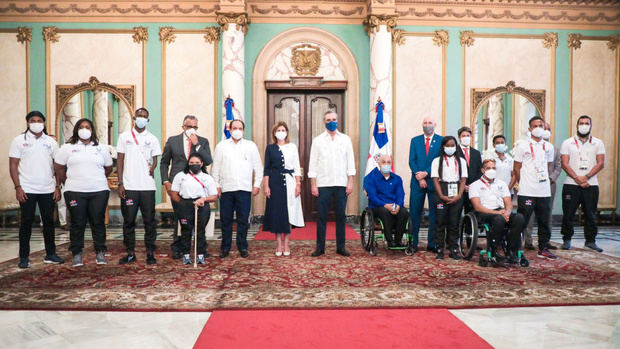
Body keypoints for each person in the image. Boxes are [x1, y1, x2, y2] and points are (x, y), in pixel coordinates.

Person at [54, 118, 113, 267]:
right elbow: (59, 167)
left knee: (98, 222)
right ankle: (77, 253)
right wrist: (68, 181)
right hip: (74, 191)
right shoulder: (67, 148)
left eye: (88, 127)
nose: (84, 129)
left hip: (98, 191)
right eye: (81, 127)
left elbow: (108, 168)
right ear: (76, 130)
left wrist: (95, 178)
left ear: (92, 130)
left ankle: (100, 251)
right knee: (77, 223)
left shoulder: (100, 148)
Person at [9, 111, 64, 268]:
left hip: (47, 188)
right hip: (26, 188)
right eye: (33, 120)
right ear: (27, 123)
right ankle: (24, 257)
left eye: (39, 120)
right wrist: (18, 187)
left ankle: (51, 254)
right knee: (26, 222)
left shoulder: (51, 142)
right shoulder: (19, 141)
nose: (36, 123)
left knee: (49, 222)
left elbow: (57, 166)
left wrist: (57, 186)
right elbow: (13, 165)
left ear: (44, 123)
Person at [160, 115, 213, 259]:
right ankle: (179, 247)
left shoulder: (203, 141)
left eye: (195, 127)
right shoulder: (172, 141)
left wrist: (197, 144)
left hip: (197, 188)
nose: (192, 129)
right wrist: (166, 181)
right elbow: (164, 163)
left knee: (200, 219)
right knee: (180, 218)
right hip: (177, 186)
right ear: (183, 127)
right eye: (190, 127)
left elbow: (208, 161)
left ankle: (200, 248)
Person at [116, 108, 162, 265]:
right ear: (134, 118)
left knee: (149, 221)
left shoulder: (153, 138)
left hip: (147, 187)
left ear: (148, 120)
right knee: (128, 221)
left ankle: (150, 252)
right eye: (139, 116)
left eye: (145, 117)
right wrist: (120, 182)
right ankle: (130, 252)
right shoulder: (124, 137)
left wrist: (152, 168)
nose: (141, 119)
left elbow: (155, 159)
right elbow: (120, 160)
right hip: (129, 186)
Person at [211, 119, 263, 258]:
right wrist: (216, 185)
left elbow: (258, 167)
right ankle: (225, 248)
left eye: (240, 128)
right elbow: (215, 168)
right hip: (226, 189)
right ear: (229, 129)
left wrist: (257, 184)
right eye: (235, 128)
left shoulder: (250, 146)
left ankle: (242, 246)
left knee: (243, 220)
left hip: (244, 189)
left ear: (243, 130)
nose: (237, 130)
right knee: (226, 220)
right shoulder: (221, 146)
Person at [308, 110, 356, 257]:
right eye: (328, 119)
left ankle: (341, 247)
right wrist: (313, 184)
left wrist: (350, 182)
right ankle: (320, 247)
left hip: (341, 184)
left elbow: (350, 162)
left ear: (338, 120)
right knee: (322, 216)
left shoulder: (346, 139)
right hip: (323, 184)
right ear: (324, 122)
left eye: (334, 119)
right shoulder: (317, 141)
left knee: (341, 216)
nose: (331, 122)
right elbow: (313, 164)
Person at [560, 115, 606, 252]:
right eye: (581, 123)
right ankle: (567, 240)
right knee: (568, 213)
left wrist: (586, 177)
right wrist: (577, 178)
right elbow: (564, 163)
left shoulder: (598, 143)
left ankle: (590, 241)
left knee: (590, 214)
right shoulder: (567, 142)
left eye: (587, 123)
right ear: (577, 125)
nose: (584, 125)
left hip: (591, 185)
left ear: (591, 126)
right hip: (571, 184)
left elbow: (601, 163)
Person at [513, 116, 557, 260]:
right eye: (535, 126)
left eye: (541, 126)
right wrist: (523, 182)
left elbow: (548, 166)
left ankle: (543, 248)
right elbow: (517, 168)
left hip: (543, 191)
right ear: (530, 129)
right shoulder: (522, 146)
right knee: (522, 221)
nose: (538, 128)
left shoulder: (549, 147)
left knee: (544, 221)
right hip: (527, 191)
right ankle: (515, 248)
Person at [469, 159, 526, 266]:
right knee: (498, 219)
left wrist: (507, 212)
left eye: (494, 168)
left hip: (501, 211)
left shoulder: (502, 184)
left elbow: (508, 203)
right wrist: (498, 213)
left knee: (519, 218)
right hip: (484, 212)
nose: (491, 170)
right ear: (482, 170)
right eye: (488, 168)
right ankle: (494, 251)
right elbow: (477, 207)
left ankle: (511, 250)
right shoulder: (475, 185)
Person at [262, 121, 304, 256]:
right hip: (275, 183)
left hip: (290, 183)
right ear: (274, 133)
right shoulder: (270, 148)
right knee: (277, 214)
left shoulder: (292, 147)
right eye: (278, 130)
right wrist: (266, 185)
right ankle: (278, 244)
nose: (281, 132)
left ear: (287, 132)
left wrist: (298, 184)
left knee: (288, 213)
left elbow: (297, 167)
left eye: (283, 130)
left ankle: (287, 244)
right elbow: (266, 169)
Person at [169, 152, 218, 265]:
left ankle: (200, 254)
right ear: (188, 163)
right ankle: (186, 254)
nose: (194, 164)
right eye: (191, 163)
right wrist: (183, 204)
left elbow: (214, 196)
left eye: (196, 163)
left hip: (201, 205)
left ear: (201, 164)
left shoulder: (207, 178)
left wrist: (203, 199)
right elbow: (174, 193)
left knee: (200, 231)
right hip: (185, 206)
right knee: (185, 230)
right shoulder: (180, 176)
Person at [523, 122, 561, 250]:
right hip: (529, 185)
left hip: (548, 185)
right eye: (539, 127)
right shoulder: (525, 145)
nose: (544, 130)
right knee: (529, 215)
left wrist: (550, 179)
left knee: (546, 214)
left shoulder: (552, 148)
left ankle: (545, 241)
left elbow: (556, 166)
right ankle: (528, 240)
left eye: (547, 129)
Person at [408, 116, 443, 252]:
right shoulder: (415, 141)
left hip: (433, 182)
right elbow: (412, 161)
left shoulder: (441, 141)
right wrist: (419, 176)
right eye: (425, 123)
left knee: (434, 214)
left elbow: (439, 160)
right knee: (415, 213)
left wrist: (426, 173)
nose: (427, 125)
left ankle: (432, 243)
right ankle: (413, 242)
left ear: (435, 124)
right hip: (417, 182)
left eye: (430, 123)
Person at [431, 136, 468, 260]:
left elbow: (463, 180)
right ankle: (440, 248)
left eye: (453, 145)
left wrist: (459, 195)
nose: (450, 148)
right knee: (440, 221)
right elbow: (435, 180)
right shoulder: (436, 161)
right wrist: (441, 195)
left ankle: (453, 248)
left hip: (456, 190)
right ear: (443, 147)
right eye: (448, 145)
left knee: (454, 222)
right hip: (442, 190)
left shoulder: (461, 161)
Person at [363, 155, 409, 247]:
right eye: (384, 162)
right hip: (378, 206)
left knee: (404, 212)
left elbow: (400, 194)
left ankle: (398, 240)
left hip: (394, 205)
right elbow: (372, 197)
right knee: (385, 211)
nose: (386, 164)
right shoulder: (370, 178)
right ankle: (389, 240)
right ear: (379, 164)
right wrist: (385, 205)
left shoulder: (397, 179)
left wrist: (399, 205)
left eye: (388, 162)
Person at [456, 126, 482, 214]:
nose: (466, 138)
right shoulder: (454, 152)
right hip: (458, 188)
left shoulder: (476, 153)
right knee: (456, 213)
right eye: (463, 136)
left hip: (472, 188)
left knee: (471, 213)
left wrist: (472, 185)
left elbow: (479, 171)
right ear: (459, 137)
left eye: (468, 135)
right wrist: (463, 185)